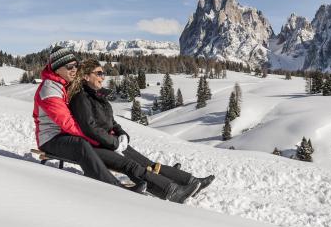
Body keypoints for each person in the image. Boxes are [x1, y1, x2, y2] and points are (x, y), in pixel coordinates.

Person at [68, 59, 215, 202]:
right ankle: (172, 191)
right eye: (99, 73)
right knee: (134, 167)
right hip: (97, 146)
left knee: (148, 163)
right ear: (86, 76)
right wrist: (114, 143)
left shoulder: (99, 97)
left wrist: (122, 135)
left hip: (111, 142)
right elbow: (89, 128)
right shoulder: (81, 98)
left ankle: (191, 182)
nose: (103, 77)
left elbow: (112, 122)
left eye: (103, 73)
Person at [33, 46, 146, 194]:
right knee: (81, 144)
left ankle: (149, 172)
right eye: (69, 67)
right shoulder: (50, 90)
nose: (74, 70)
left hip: (64, 136)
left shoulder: (63, 84)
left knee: (86, 143)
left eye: (76, 66)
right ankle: (114, 187)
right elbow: (68, 124)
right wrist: (97, 140)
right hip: (50, 139)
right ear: (57, 68)